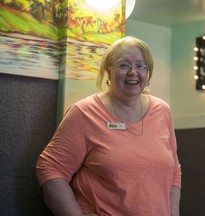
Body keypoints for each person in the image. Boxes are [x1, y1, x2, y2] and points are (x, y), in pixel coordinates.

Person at [36, 36, 182, 216]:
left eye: (141, 65)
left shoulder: (162, 111)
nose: (133, 72)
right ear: (108, 70)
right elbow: (50, 168)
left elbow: (174, 171)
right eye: (123, 65)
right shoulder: (85, 112)